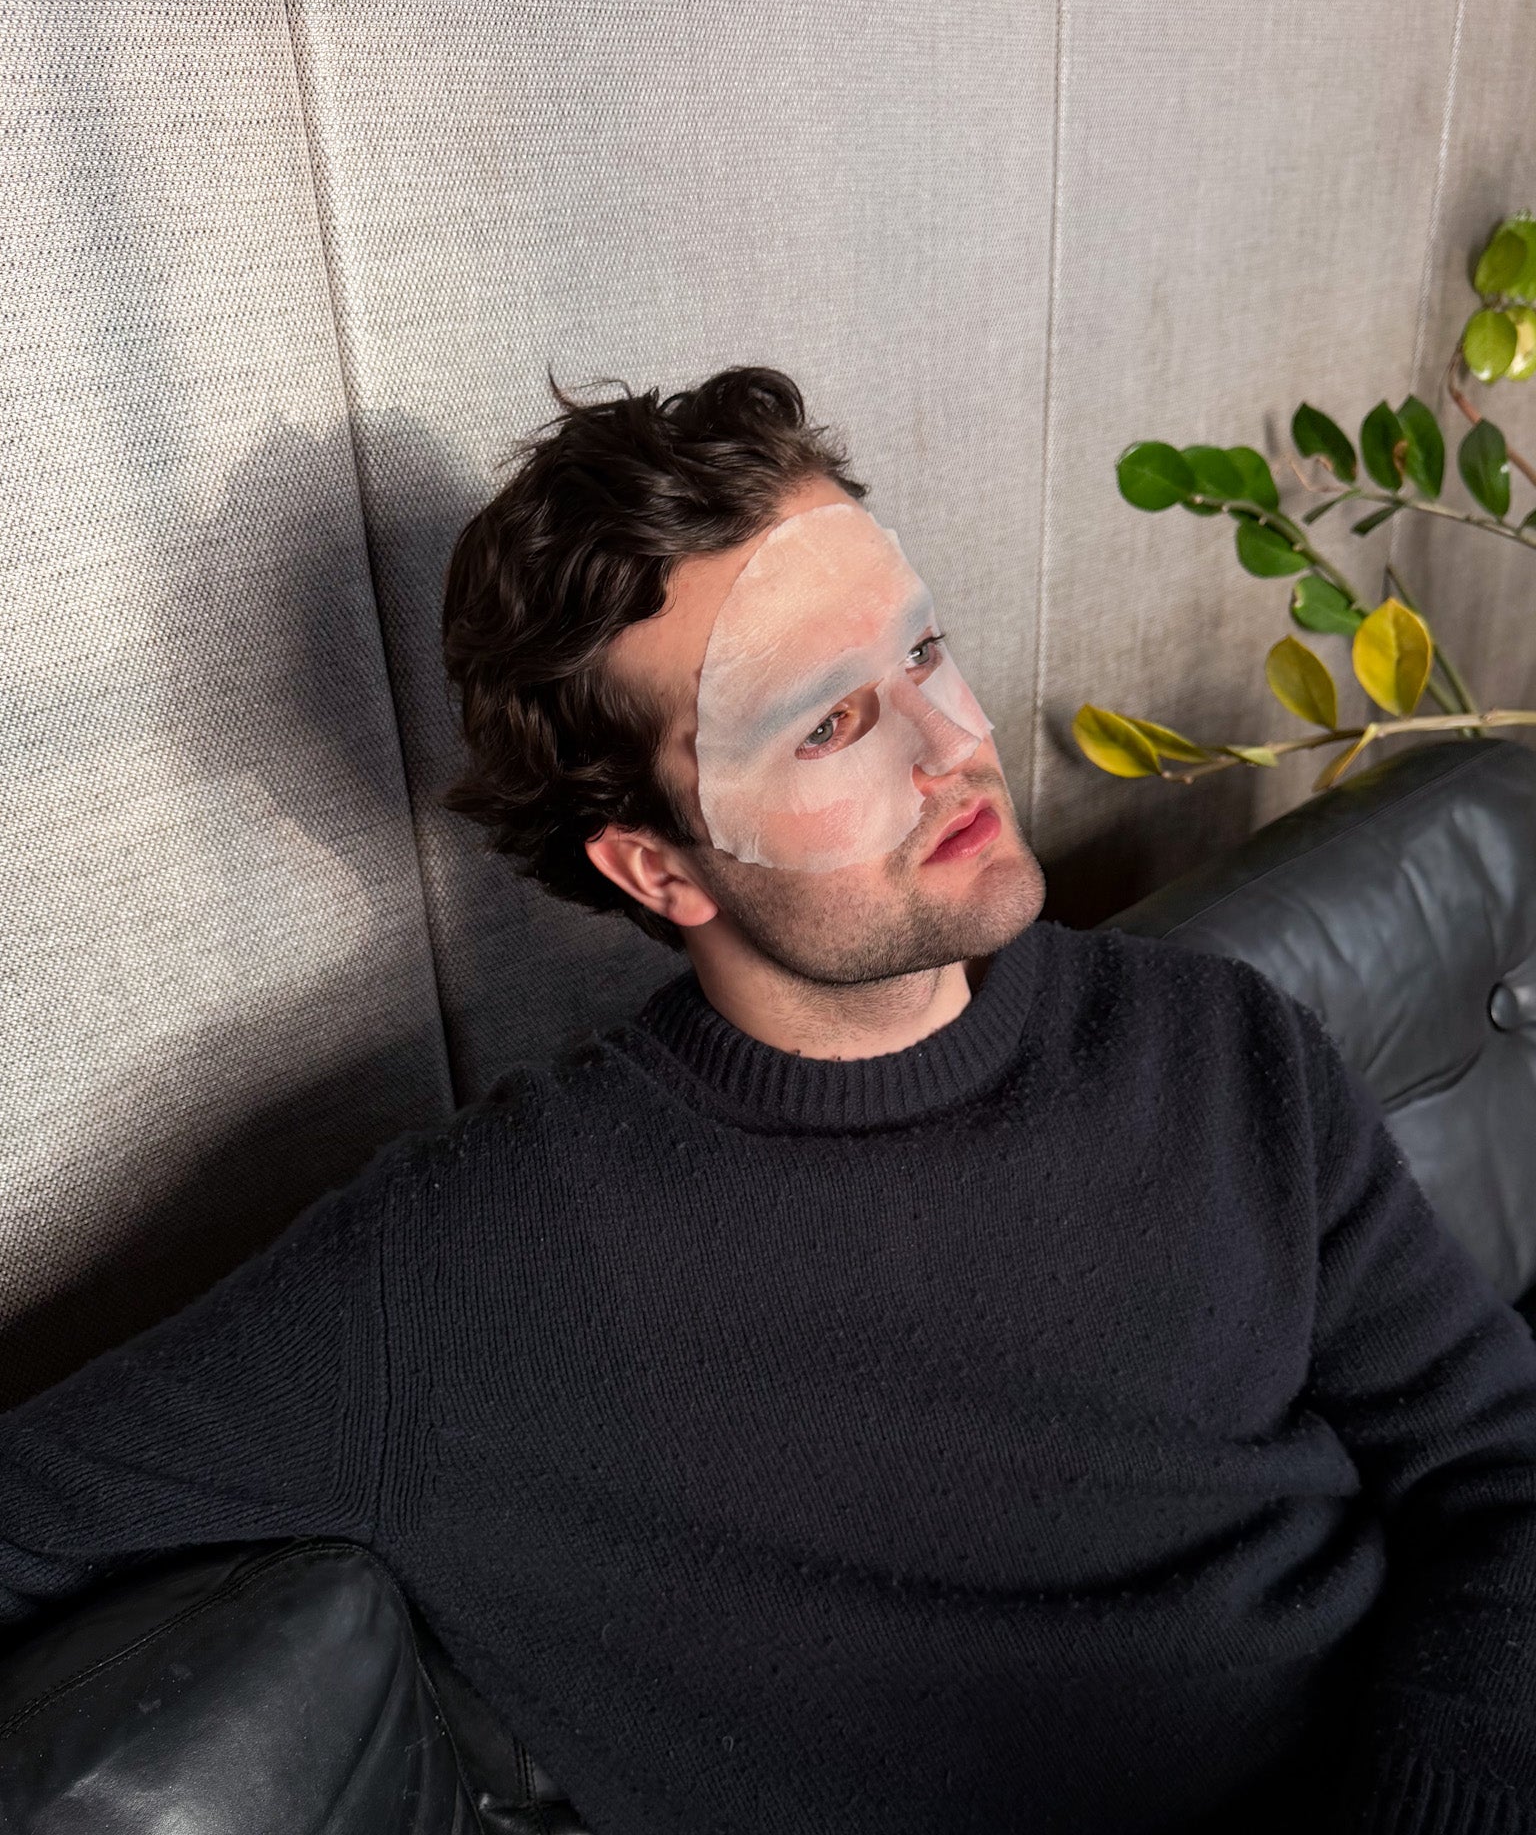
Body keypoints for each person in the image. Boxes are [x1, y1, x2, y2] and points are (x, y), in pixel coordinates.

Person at [2, 365, 1535, 1834]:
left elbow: (1496, 1464)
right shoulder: (485, 1263)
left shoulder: (1209, 1042)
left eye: (922, 656)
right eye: (828, 724)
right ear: (654, 865)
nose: (956, 749)